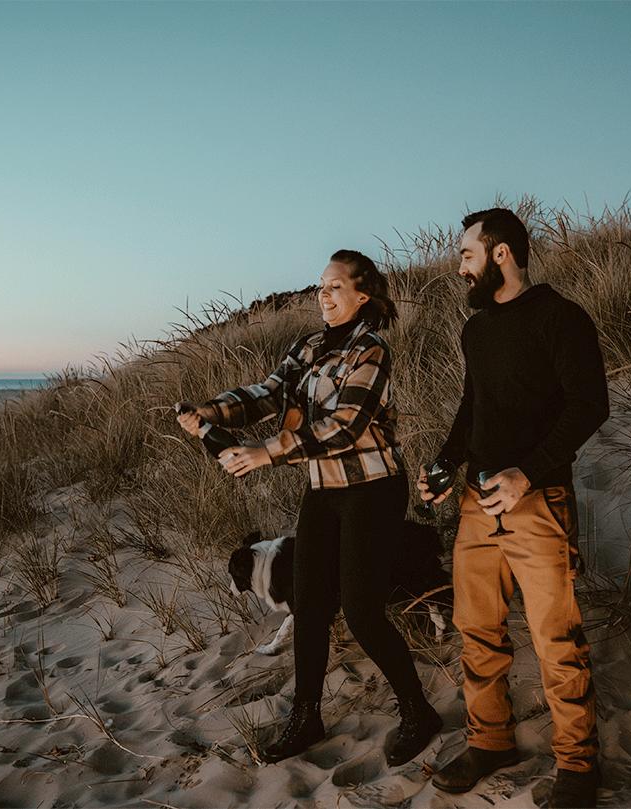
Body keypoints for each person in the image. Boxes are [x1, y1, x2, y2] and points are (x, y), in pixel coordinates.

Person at [177, 249, 442, 767]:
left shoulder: (371, 351)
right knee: (311, 604)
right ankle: (306, 717)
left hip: (372, 489)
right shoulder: (310, 346)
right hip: (324, 489)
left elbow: (345, 426)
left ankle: (419, 711)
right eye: (321, 285)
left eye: (335, 286)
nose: (323, 294)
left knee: (361, 611)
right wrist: (212, 410)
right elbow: (268, 394)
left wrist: (266, 452)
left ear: (362, 295)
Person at [418, 209, 608, 807]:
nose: (460, 267)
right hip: (477, 503)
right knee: (477, 631)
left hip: (538, 501)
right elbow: (473, 405)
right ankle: (491, 742)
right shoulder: (476, 331)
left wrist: (527, 473)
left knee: (557, 638)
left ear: (500, 254)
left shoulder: (560, 317)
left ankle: (577, 765)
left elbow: (590, 404)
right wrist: (445, 464)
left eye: (467, 255)